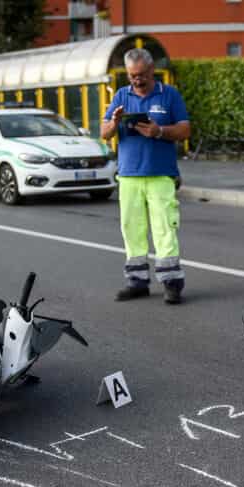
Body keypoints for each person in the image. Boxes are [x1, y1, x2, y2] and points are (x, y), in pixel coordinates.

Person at [100, 48, 191, 304]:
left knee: (165, 229)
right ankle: (137, 281)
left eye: (140, 75)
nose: (136, 80)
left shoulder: (169, 95)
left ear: (152, 70)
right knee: (132, 230)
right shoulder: (121, 95)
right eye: (131, 76)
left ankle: (172, 283)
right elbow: (104, 132)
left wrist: (159, 131)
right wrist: (114, 123)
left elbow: (185, 130)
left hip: (161, 174)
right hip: (128, 175)